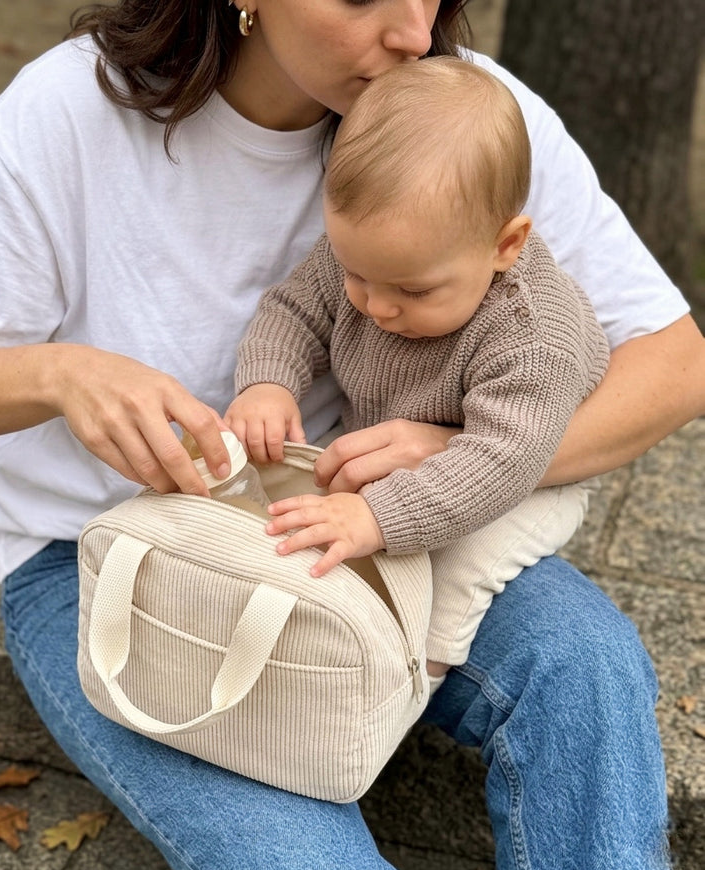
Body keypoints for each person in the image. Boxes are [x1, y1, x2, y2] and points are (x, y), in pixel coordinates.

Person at [0, 1, 702, 870]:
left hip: (377, 535)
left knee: (584, 667)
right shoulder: (71, 112)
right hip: (109, 555)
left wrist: (458, 452)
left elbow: (677, 365)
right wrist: (60, 374)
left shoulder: (467, 120)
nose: (413, 32)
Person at [226, 57, 610, 693]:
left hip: (528, 475)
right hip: (416, 452)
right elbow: (294, 309)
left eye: (412, 289)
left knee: (454, 570)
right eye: (357, 277)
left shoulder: (534, 334)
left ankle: (405, 687)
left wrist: (377, 518)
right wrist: (267, 382)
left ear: (505, 245)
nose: (376, 306)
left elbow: (503, 459)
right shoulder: (380, 261)